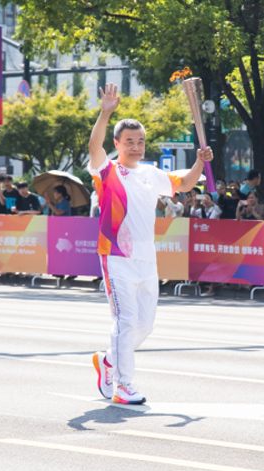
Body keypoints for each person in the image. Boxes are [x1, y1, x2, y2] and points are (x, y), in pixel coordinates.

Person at [89, 82, 213, 404]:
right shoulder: (107, 171)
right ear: (117, 144)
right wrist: (105, 114)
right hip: (116, 257)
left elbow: (185, 183)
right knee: (126, 322)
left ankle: (108, 361)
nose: (136, 146)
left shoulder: (151, 174)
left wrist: (200, 162)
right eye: (129, 141)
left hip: (147, 259)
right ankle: (123, 385)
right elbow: (94, 147)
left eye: (140, 141)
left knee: (144, 326)